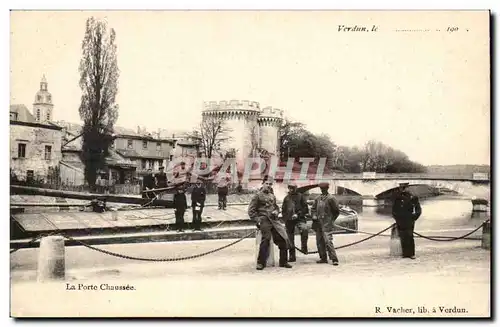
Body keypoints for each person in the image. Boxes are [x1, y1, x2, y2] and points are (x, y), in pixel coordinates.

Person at [248, 176, 292, 270]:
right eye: (267, 184)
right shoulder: (257, 196)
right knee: (266, 239)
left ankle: (283, 262)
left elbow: (276, 207)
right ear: (263, 184)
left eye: (270, 184)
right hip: (264, 220)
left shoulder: (272, 196)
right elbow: (251, 211)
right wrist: (258, 220)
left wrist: (276, 211)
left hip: (274, 221)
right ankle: (261, 263)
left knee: (283, 238)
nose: (268, 186)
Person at [311, 182, 340, 266]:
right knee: (319, 241)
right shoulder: (317, 198)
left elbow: (336, 211)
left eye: (324, 189)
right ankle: (323, 258)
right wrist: (314, 215)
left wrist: (331, 220)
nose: (322, 190)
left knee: (328, 241)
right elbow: (313, 209)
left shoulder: (331, 198)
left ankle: (334, 259)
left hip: (327, 224)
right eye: (321, 189)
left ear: (327, 189)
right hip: (318, 224)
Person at [391, 183, 422, 259]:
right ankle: (405, 254)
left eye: (404, 188)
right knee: (403, 237)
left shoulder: (413, 197)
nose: (403, 189)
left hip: (409, 220)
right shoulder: (397, 198)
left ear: (407, 188)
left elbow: (418, 210)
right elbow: (394, 210)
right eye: (402, 188)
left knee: (410, 236)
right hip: (400, 221)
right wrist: (397, 218)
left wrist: (414, 217)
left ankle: (411, 253)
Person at [282, 182, 310, 262]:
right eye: (290, 188)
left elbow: (305, 208)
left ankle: (304, 246)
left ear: (296, 188)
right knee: (290, 239)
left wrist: (298, 214)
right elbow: (283, 210)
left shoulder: (300, 197)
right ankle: (292, 256)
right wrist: (286, 219)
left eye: (293, 188)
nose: (291, 190)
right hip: (289, 221)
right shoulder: (286, 198)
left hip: (300, 218)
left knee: (304, 229)